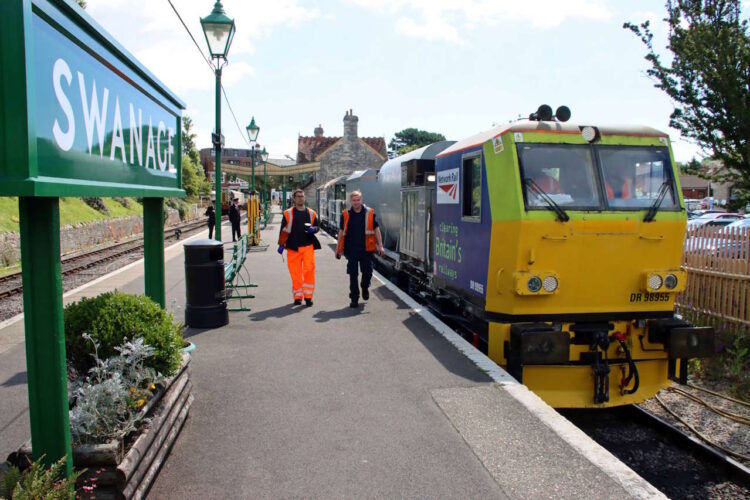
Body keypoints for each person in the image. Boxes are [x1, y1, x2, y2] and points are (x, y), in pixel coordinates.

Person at [335, 191, 384, 308]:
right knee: (353, 274)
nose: (356, 202)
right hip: (351, 249)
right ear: (350, 201)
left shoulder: (369, 213)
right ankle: (354, 298)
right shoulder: (346, 214)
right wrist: (338, 248)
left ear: (361, 200)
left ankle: (364, 286)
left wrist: (380, 245)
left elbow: (376, 229)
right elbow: (341, 232)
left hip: (366, 249)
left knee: (367, 272)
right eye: (354, 200)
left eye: (358, 200)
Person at [277, 189, 321, 306]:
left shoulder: (311, 213)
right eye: (298, 196)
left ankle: (308, 297)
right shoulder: (288, 213)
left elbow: (317, 227)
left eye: (302, 196)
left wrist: (314, 229)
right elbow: (283, 230)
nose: (301, 198)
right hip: (293, 248)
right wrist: (281, 244)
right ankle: (297, 297)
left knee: (309, 272)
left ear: (304, 198)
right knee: (295, 274)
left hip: (308, 247)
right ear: (294, 199)